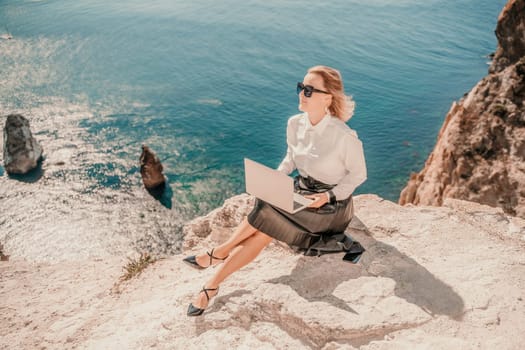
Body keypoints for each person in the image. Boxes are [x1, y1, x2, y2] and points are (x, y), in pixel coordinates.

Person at [183, 65, 367, 316]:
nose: (302, 94)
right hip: (301, 193)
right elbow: (291, 159)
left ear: (328, 97)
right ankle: (211, 285)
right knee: (264, 227)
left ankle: (219, 254)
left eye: (310, 90)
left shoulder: (344, 136)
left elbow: (359, 175)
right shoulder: (294, 124)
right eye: (301, 87)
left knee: (267, 206)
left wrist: (327, 196)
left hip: (329, 207)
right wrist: (274, 178)